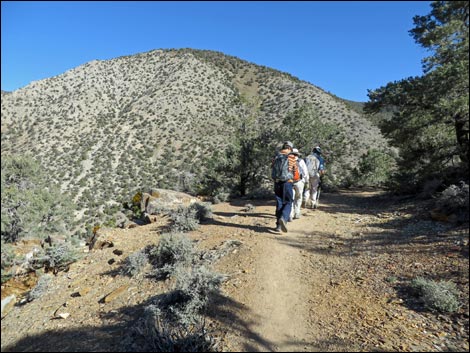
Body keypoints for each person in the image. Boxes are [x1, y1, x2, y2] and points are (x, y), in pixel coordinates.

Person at [271, 141, 297, 233]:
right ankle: (284, 218)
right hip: (287, 182)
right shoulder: (291, 157)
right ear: (290, 148)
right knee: (288, 202)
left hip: (277, 182)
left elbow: (272, 167)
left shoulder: (276, 156)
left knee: (279, 202)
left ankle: (278, 225)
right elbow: (295, 172)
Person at [290, 148, 309, 220]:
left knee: (291, 198)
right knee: (298, 197)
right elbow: (305, 172)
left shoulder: (288, 160)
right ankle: (297, 212)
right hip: (299, 181)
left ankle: (290, 214)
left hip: (290, 181)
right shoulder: (301, 161)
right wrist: (307, 181)